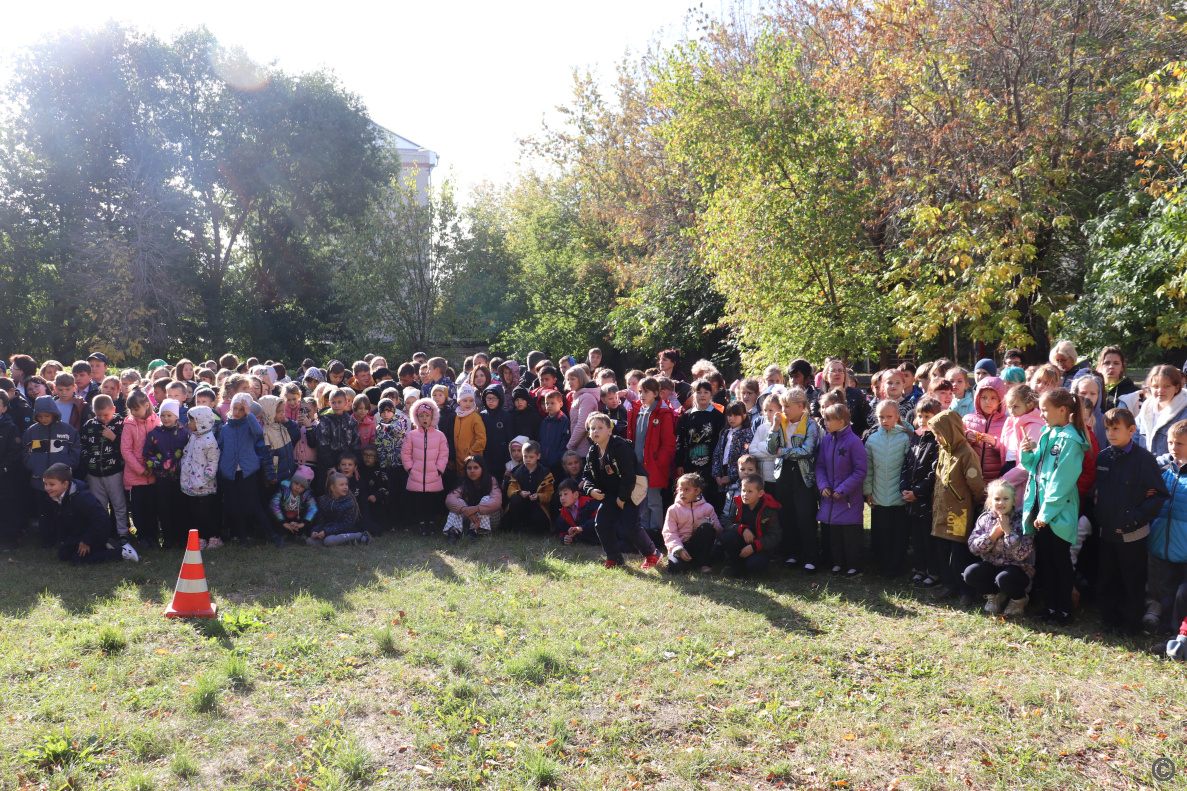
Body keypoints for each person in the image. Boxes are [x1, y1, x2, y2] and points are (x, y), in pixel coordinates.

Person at [1094, 408, 1169, 634]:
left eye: (1116, 428)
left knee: (1132, 580)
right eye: (1107, 428)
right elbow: (1098, 492)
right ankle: (1110, 619)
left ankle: (1131, 623)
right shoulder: (1103, 456)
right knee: (1107, 577)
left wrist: (1133, 518)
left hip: (1132, 533)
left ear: (1131, 430)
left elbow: (1159, 495)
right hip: (1107, 531)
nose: (1110, 433)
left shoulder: (1144, 459)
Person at [1021, 388, 1089, 626]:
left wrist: (1046, 513)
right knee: (1046, 561)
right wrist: (1026, 452)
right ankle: (1050, 607)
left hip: (1056, 513)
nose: (1041, 414)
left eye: (1045, 409)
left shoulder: (1071, 441)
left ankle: (1063, 611)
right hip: (1041, 509)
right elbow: (1034, 468)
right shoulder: (1047, 433)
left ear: (1062, 410)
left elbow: (1062, 482)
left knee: (1060, 562)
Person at [581, 413, 661, 569]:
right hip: (612, 492)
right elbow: (587, 477)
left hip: (634, 488)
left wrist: (622, 498)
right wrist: (590, 490)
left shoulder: (620, 447)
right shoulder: (592, 452)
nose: (596, 431)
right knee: (602, 524)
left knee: (630, 526)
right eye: (592, 428)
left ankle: (653, 554)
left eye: (600, 427)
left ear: (610, 430)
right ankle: (614, 558)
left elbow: (629, 476)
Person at [928, 409, 986, 604]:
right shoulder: (944, 451)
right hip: (941, 511)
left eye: (939, 434)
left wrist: (973, 503)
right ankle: (950, 585)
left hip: (959, 513)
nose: (936, 438)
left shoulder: (966, 454)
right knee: (942, 552)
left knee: (958, 556)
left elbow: (976, 484)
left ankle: (966, 591)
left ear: (951, 430)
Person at [218, 393, 281, 548]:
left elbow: (258, 433)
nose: (238, 412)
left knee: (255, 507)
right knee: (236, 508)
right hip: (232, 474)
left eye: (241, 409)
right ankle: (243, 538)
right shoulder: (225, 429)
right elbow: (221, 447)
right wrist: (224, 467)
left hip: (248, 473)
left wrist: (249, 413)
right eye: (235, 408)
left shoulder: (249, 425)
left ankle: (273, 535)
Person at [768, 388, 820, 571]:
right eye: (782, 406)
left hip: (803, 475)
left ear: (800, 406)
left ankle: (810, 558)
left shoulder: (811, 425)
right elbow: (771, 448)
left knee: (805, 516)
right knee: (787, 515)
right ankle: (791, 554)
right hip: (783, 473)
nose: (784, 410)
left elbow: (808, 451)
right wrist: (774, 428)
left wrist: (784, 452)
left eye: (787, 406)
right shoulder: (781, 423)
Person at [963, 479, 1033, 615]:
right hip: (992, 564)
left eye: (1006, 498)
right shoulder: (985, 519)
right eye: (997, 499)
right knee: (970, 573)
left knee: (1004, 579)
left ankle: (1019, 599)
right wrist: (992, 536)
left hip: (1017, 568)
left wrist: (1008, 532)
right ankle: (994, 595)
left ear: (1014, 501)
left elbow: (1023, 554)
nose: (1001, 503)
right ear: (990, 502)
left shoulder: (1022, 520)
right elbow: (973, 548)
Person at [41, 463, 135, 564]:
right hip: (78, 532)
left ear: (65, 484)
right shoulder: (52, 498)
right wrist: (63, 538)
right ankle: (103, 546)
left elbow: (101, 520)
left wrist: (86, 541)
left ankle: (120, 552)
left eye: (51, 484)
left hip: (97, 531)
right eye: (45, 484)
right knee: (63, 555)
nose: (47, 488)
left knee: (78, 560)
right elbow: (59, 518)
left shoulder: (83, 498)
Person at [816, 403, 867, 578]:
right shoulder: (827, 440)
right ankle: (837, 562)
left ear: (842, 421)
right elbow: (820, 466)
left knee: (849, 535)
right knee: (834, 534)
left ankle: (854, 565)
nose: (825, 423)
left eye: (829, 420)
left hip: (847, 499)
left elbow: (860, 471)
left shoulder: (854, 442)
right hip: (830, 497)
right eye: (824, 419)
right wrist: (823, 485)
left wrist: (843, 489)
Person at [864, 400, 912, 577]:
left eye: (889, 416)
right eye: (881, 417)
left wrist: (907, 490)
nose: (885, 420)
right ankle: (883, 565)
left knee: (899, 534)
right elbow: (868, 468)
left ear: (897, 417)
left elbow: (909, 467)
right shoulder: (872, 439)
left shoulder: (905, 438)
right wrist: (867, 491)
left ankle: (896, 566)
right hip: (878, 495)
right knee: (882, 533)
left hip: (899, 497)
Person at [1150, 420, 1187, 634]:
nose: (1174, 447)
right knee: (1166, 588)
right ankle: (1165, 627)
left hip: (1183, 545)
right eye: (1171, 442)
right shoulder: (1163, 470)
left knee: (1183, 591)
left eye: (1180, 443)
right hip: (1163, 542)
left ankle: (1180, 631)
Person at [901, 396, 941, 587]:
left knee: (928, 538)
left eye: (927, 416)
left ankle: (933, 573)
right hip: (912, 498)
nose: (923, 420)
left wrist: (917, 491)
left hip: (927, 499)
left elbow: (934, 472)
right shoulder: (916, 436)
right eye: (920, 416)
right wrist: (904, 487)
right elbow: (907, 463)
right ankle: (920, 569)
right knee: (916, 537)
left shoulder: (937, 440)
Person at [80, 394, 129, 545]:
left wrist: (113, 438)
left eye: (106, 415)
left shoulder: (121, 424)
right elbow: (83, 446)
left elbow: (126, 448)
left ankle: (123, 534)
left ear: (113, 409)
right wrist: (88, 462)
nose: (102, 418)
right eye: (98, 415)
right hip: (94, 473)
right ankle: (103, 533)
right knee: (99, 506)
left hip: (114, 472)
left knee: (118, 504)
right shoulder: (89, 425)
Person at [713, 473, 782, 577]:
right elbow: (728, 523)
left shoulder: (769, 509)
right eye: (743, 491)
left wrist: (754, 546)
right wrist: (743, 529)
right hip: (742, 541)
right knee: (727, 537)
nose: (745, 494)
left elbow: (775, 536)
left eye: (750, 491)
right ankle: (736, 566)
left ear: (760, 493)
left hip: (760, 546)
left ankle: (751, 564)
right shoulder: (738, 503)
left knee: (755, 566)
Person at [402, 398, 450, 535]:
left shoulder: (440, 436)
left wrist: (439, 469)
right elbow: (405, 453)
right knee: (419, 503)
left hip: (433, 475)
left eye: (427, 416)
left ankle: (431, 523)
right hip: (416, 475)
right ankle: (422, 524)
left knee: (432, 502)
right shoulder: (411, 435)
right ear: (416, 418)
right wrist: (410, 468)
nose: (424, 418)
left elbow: (444, 454)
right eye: (421, 416)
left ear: (432, 417)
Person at [676, 380, 726, 510]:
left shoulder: (718, 416)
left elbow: (722, 442)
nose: (702, 395)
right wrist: (679, 462)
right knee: (691, 494)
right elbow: (680, 440)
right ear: (693, 394)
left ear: (711, 394)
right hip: (690, 465)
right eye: (699, 392)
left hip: (711, 466)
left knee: (709, 496)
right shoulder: (686, 416)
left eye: (706, 392)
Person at [663, 473, 722, 574]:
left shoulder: (707, 508)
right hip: (681, 545)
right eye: (680, 490)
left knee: (707, 527)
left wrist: (708, 521)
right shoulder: (673, 509)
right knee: (675, 570)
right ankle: (689, 561)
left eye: (687, 490)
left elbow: (719, 531)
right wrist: (679, 549)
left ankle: (704, 562)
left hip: (699, 546)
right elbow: (669, 532)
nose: (682, 493)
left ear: (697, 491)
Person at [181, 405, 223, 549]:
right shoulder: (193, 437)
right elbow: (187, 452)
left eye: (191, 421)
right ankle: (202, 537)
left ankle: (214, 536)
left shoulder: (209, 440)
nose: (189, 424)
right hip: (192, 482)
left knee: (205, 512)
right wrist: (184, 464)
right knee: (195, 512)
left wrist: (208, 475)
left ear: (200, 421)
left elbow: (214, 459)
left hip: (205, 484)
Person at [443, 455, 502, 542]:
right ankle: (454, 532)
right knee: (458, 502)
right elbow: (450, 498)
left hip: (490, 520)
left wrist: (477, 508)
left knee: (486, 498)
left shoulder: (491, 481)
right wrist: (464, 509)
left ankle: (474, 531)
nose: (472, 471)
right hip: (469, 518)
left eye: (475, 468)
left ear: (482, 468)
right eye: (469, 468)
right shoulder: (464, 482)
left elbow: (496, 501)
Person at [711, 402, 753, 517]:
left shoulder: (746, 434)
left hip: (736, 478)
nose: (732, 418)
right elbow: (717, 454)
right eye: (729, 415)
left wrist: (731, 476)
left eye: (736, 415)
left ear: (744, 416)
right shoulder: (724, 432)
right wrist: (717, 475)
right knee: (721, 506)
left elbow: (745, 457)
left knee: (734, 508)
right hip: (722, 474)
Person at [963, 376, 1008, 482]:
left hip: (997, 477)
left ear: (1001, 400)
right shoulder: (968, 419)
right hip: (971, 476)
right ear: (978, 398)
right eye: (984, 397)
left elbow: (1011, 450)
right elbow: (958, 443)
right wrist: (967, 436)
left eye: (993, 398)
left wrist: (995, 443)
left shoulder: (1007, 422)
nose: (988, 402)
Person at [504, 440, 555, 534]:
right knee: (515, 499)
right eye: (525, 456)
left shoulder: (546, 474)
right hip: (521, 505)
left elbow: (549, 494)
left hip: (538, 505)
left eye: (531, 457)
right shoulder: (517, 472)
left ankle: (534, 528)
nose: (527, 459)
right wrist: (519, 492)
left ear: (538, 456)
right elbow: (510, 490)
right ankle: (516, 528)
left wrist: (538, 496)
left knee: (538, 519)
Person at [308, 471, 370, 547]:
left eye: (346, 484)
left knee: (329, 541)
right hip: (329, 532)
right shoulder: (323, 501)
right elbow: (321, 521)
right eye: (341, 485)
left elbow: (346, 525)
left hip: (344, 531)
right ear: (332, 488)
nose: (345, 487)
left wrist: (326, 532)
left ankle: (359, 536)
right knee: (310, 541)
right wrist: (315, 531)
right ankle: (344, 541)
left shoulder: (349, 502)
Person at [1138, 365, 1187, 457]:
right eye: (1156, 386)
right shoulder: (1145, 410)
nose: (1160, 390)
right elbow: (1134, 439)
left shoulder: (1184, 414)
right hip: (1144, 468)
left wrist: (1155, 465)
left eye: (1166, 386)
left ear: (1177, 388)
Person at [451, 384, 487, 481]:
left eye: (471, 401)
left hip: (472, 462)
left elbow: (481, 439)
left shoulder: (475, 417)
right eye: (465, 400)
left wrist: (471, 453)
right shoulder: (458, 416)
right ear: (459, 401)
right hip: (460, 461)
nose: (468, 404)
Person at [556, 478, 599, 545]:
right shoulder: (563, 513)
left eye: (565, 494)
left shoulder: (589, 503)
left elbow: (600, 520)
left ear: (576, 494)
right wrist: (565, 538)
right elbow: (562, 532)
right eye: (560, 495)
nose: (562, 498)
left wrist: (582, 528)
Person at [480, 386, 512, 472]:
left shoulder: (506, 416)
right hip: (485, 457)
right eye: (488, 398)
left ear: (500, 399)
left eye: (494, 398)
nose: (491, 401)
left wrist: (507, 459)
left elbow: (509, 439)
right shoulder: (481, 416)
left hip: (500, 458)